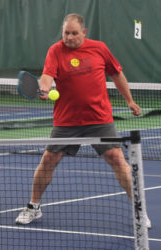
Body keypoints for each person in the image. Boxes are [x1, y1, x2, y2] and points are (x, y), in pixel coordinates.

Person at [15, 13, 151, 228]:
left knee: (117, 159)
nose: (69, 37)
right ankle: (33, 207)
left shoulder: (99, 48)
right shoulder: (55, 50)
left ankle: (139, 210)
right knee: (48, 160)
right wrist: (43, 88)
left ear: (84, 33)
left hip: (99, 118)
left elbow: (116, 74)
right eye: (66, 33)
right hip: (67, 120)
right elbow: (47, 76)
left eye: (74, 33)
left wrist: (130, 101)